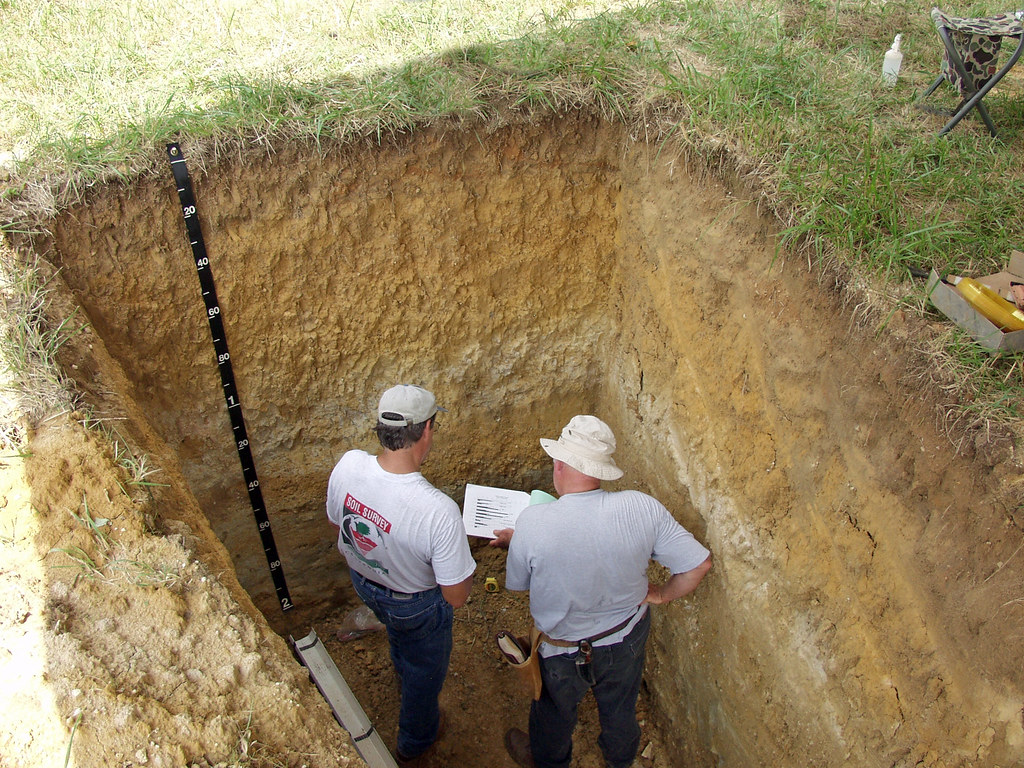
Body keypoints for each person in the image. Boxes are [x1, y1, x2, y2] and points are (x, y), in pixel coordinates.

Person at [497, 415, 712, 768]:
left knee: (552, 712)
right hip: (624, 639)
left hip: (561, 650)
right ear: (600, 469)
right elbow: (698, 566)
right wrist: (661, 594)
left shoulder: (532, 524)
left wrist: (518, 542)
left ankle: (550, 761)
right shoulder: (642, 507)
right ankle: (620, 760)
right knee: (620, 708)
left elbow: (520, 585)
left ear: (559, 464)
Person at [326, 384, 475, 765]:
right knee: (424, 675)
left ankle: (399, 659)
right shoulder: (437, 510)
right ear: (426, 430)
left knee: (398, 634)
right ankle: (414, 744)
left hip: (365, 584)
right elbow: (456, 596)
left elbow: (338, 527)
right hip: (414, 606)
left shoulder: (348, 465)